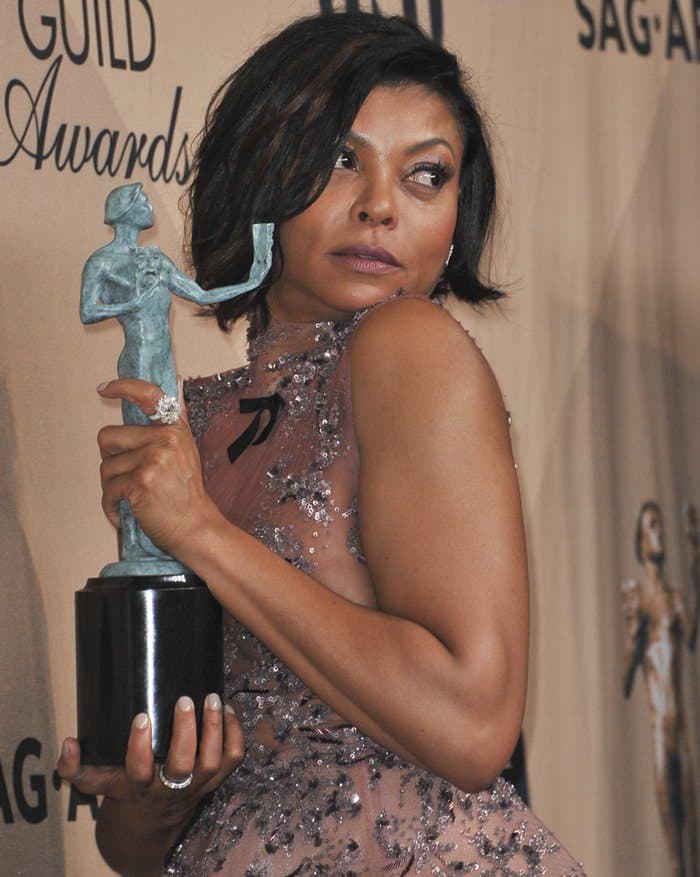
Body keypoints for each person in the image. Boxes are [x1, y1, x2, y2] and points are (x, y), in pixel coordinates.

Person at [58, 12, 586, 876]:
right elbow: (130, 846)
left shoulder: (408, 349)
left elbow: (472, 726)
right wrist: (159, 793)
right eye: (343, 158)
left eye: (426, 175)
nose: (380, 205)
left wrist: (202, 533)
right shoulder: (193, 421)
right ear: (260, 173)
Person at [622, 501, 699, 877]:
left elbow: (691, 636)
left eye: (660, 526)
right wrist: (633, 635)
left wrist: (696, 560)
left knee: (694, 843)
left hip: (680, 731)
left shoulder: (675, 600)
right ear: (640, 539)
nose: (660, 534)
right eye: (652, 526)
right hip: (658, 735)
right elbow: (625, 680)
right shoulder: (638, 603)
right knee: (673, 856)